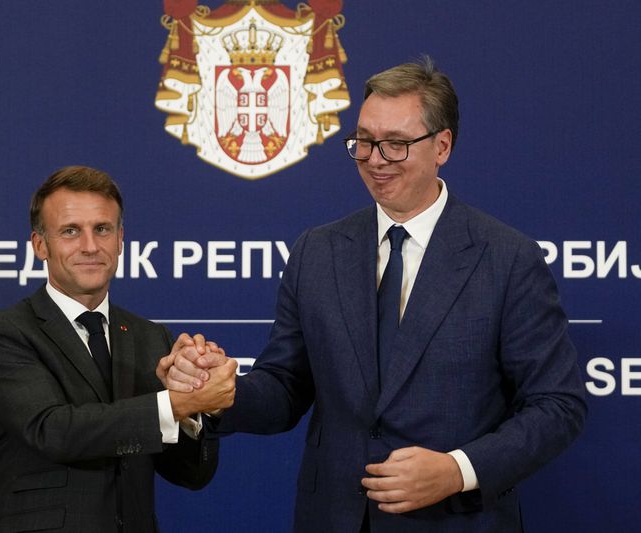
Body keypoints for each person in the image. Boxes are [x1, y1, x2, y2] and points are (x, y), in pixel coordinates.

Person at [165, 57, 587, 532]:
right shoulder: (317, 252)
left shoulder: (507, 258)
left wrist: (457, 470)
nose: (375, 159)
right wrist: (220, 393)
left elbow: (557, 405)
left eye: (396, 144)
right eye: (364, 141)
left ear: (442, 146)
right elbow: (285, 387)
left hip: (456, 521)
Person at [0, 165, 237, 533]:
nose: (90, 246)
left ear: (121, 239)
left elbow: (190, 474)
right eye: (70, 231)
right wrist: (177, 404)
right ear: (40, 245)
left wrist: (197, 404)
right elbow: (54, 430)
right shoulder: (2, 332)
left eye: (102, 229)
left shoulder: (149, 336)